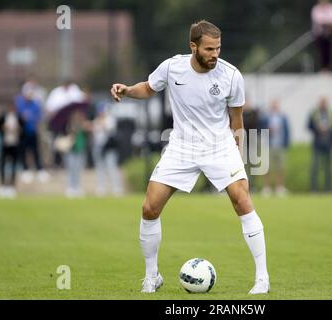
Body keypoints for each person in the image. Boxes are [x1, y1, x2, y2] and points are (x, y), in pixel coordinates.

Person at [110, 20, 269, 294]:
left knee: (242, 199)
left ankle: (262, 278)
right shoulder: (173, 67)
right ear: (193, 46)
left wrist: (238, 157)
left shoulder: (231, 76)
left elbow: (237, 121)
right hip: (181, 146)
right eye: (209, 49)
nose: (215, 54)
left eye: (218, 48)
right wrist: (127, 91)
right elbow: (148, 88)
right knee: (149, 208)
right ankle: (151, 277)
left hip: (219, 146)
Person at [15, 83, 49, 184]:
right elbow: (18, 116)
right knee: (24, 151)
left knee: (35, 151)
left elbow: (39, 118)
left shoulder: (36, 104)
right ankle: (26, 170)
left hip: (33, 131)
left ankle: (40, 170)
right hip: (23, 132)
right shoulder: (19, 103)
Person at [261, 99, 291, 197]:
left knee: (280, 167)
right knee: (267, 168)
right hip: (269, 145)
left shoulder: (283, 117)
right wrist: (268, 130)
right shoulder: (266, 117)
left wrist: (286, 144)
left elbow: (287, 131)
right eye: (273, 105)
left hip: (280, 145)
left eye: (276, 105)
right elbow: (260, 129)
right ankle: (267, 188)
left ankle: (279, 188)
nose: (275, 106)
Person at [91, 106, 123, 197]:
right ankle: (101, 187)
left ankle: (117, 188)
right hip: (99, 147)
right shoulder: (96, 120)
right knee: (100, 168)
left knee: (112, 167)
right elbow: (94, 132)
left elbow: (108, 129)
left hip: (109, 147)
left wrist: (100, 123)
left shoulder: (110, 120)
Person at [0, 102, 24, 198]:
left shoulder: (18, 117)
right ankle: (3, 185)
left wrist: (18, 129)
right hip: (5, 144)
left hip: (15, 144)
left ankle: (12, 186)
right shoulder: (3, 117)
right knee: (2, 165)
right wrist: (3, 128)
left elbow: (23, 130)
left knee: (14, 166)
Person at [308, 96, 332, 192]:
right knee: (315, 166)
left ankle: (328, 189)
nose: (323, 104)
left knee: (328, 168)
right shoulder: (314, 113)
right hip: (317, 143)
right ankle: (314, 189)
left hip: (328, 144)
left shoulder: (331, 113)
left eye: (325, 102)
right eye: (321, 102)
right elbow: (309, 126)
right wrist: (317, 128)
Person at [64, 110, 90, 198]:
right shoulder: (70, 125)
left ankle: (77, 187)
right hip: (72, 150)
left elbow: (88, 133)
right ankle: (71, 187)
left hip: (80, 149)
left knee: (78, 170)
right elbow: (70, 132)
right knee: (71, 169)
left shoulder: (84, 125)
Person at [311, 0, 332, 71]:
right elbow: (318, 20)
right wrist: (327, 22)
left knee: (330, 51)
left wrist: (328, 23)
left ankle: (330, 67)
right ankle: (323, 68)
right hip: (320, 34)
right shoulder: (316, 9)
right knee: (322, 51)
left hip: (331, 34)